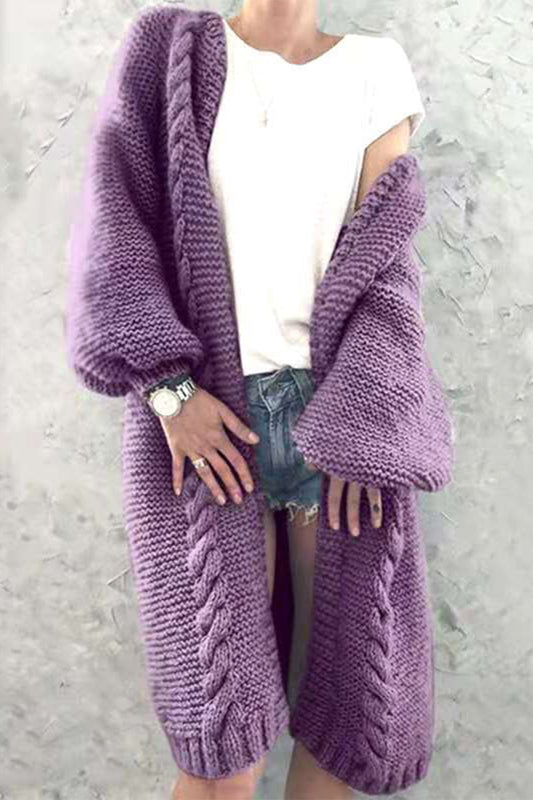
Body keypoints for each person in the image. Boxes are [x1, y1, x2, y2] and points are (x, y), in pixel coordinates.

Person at [65, 2, 433, 798]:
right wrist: (169, 391)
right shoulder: (168, 49)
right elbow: (113, 230)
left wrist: (368, 424)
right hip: (205, 427)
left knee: (342, 737)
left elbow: (386, 270)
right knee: (221, 758)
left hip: (338, 426)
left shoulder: (375, 68)